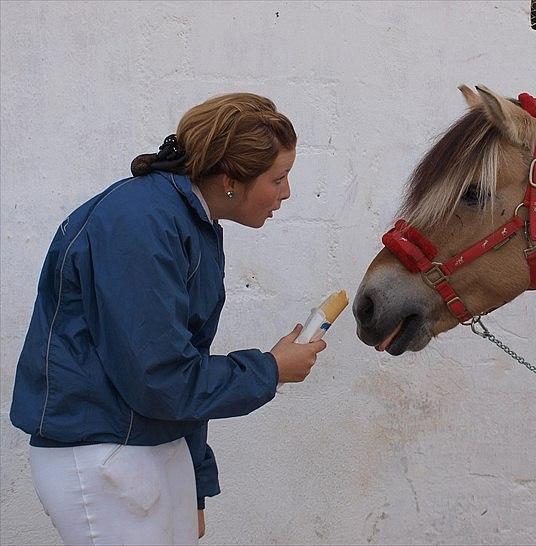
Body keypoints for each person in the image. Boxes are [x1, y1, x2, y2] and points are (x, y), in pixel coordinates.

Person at [9, 93, 326, 545]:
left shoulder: (188, 221)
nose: (287, 192)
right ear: (230, 179)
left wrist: (195, 482)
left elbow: (182, 364)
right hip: (103, 453)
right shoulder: (139, 221)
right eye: (279, 178)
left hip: (150, 446)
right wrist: (271, 369)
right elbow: (161, 378)